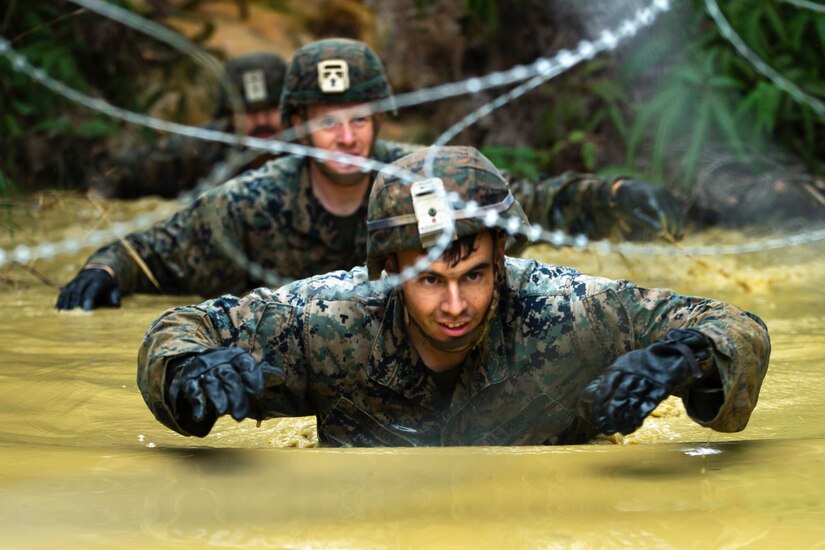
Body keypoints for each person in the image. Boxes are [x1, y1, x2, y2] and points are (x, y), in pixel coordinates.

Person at [137, 145, 771, 447]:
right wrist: (189, 374)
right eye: (429, 281)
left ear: (500, 258)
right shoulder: (328, 322)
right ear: (388, 270)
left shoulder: (571, 312)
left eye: (474, 274)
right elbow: (181, 325)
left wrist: (685, 359)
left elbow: (734, 323)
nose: (455, 305)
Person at [57, 37, 683, 312]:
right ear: (297, 122)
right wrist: (104, 269)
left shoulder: (424, 176)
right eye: (327, 122)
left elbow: (531, 203)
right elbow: (157, 249)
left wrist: (619, 195)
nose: (347, 138)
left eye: (358, 119)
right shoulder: (249, 203)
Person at [89, 51, 287, 200]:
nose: (262, 121)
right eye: (249, 112)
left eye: (271, 109)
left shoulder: (310, 144)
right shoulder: (203, 148)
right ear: (229, 116)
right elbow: (120, 170)